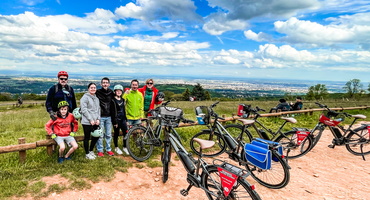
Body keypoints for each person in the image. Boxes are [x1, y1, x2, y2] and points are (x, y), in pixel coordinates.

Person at [80, 83, 101, 160]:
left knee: (96, 136)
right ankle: (87, 153)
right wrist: (90, 119)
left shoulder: (96, 98)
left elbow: (98, 109)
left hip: (95, 121)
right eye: (91, 88)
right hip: (86, 121)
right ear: (88, 89)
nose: (93, 89)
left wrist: (98, 119)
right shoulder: (84, 98)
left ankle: (91, 150)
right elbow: (84, 110)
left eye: (94, 88)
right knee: (87, 137)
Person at [96, 77, 115, 157]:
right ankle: (100, 150)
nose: (105, 84)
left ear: (109, 84)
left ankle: (108, 149)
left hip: (109, 116)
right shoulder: (98, 92)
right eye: (103, 82)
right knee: (100, 134)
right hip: (100, 116)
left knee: (108, 134)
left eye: (106, 82)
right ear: (101, 84)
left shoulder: (111, 92)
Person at [110, 84, 129, 155]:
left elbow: (124, 110)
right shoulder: (113, 101)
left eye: (120, 91)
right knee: (116, 134)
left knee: (125, 133)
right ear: (115, 92)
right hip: (116, 120)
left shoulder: (123, 100)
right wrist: (114, 122)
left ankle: (125, 147)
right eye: (117, 91)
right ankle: (116, 147)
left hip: (123, 119)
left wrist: (126, 120)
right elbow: (112, 112)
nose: (118, 92)